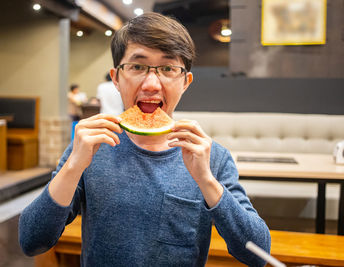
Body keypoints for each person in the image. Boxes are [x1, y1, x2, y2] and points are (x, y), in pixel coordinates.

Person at [19, 12, 271, 266]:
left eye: (168, 68)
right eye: (137, 66)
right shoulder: (91, 148)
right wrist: (74, 167)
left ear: (186, 82)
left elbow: (257, 254)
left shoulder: (212, 157)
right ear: (116, 78)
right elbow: (31, 241)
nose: (151, 84)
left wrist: (206, 180)